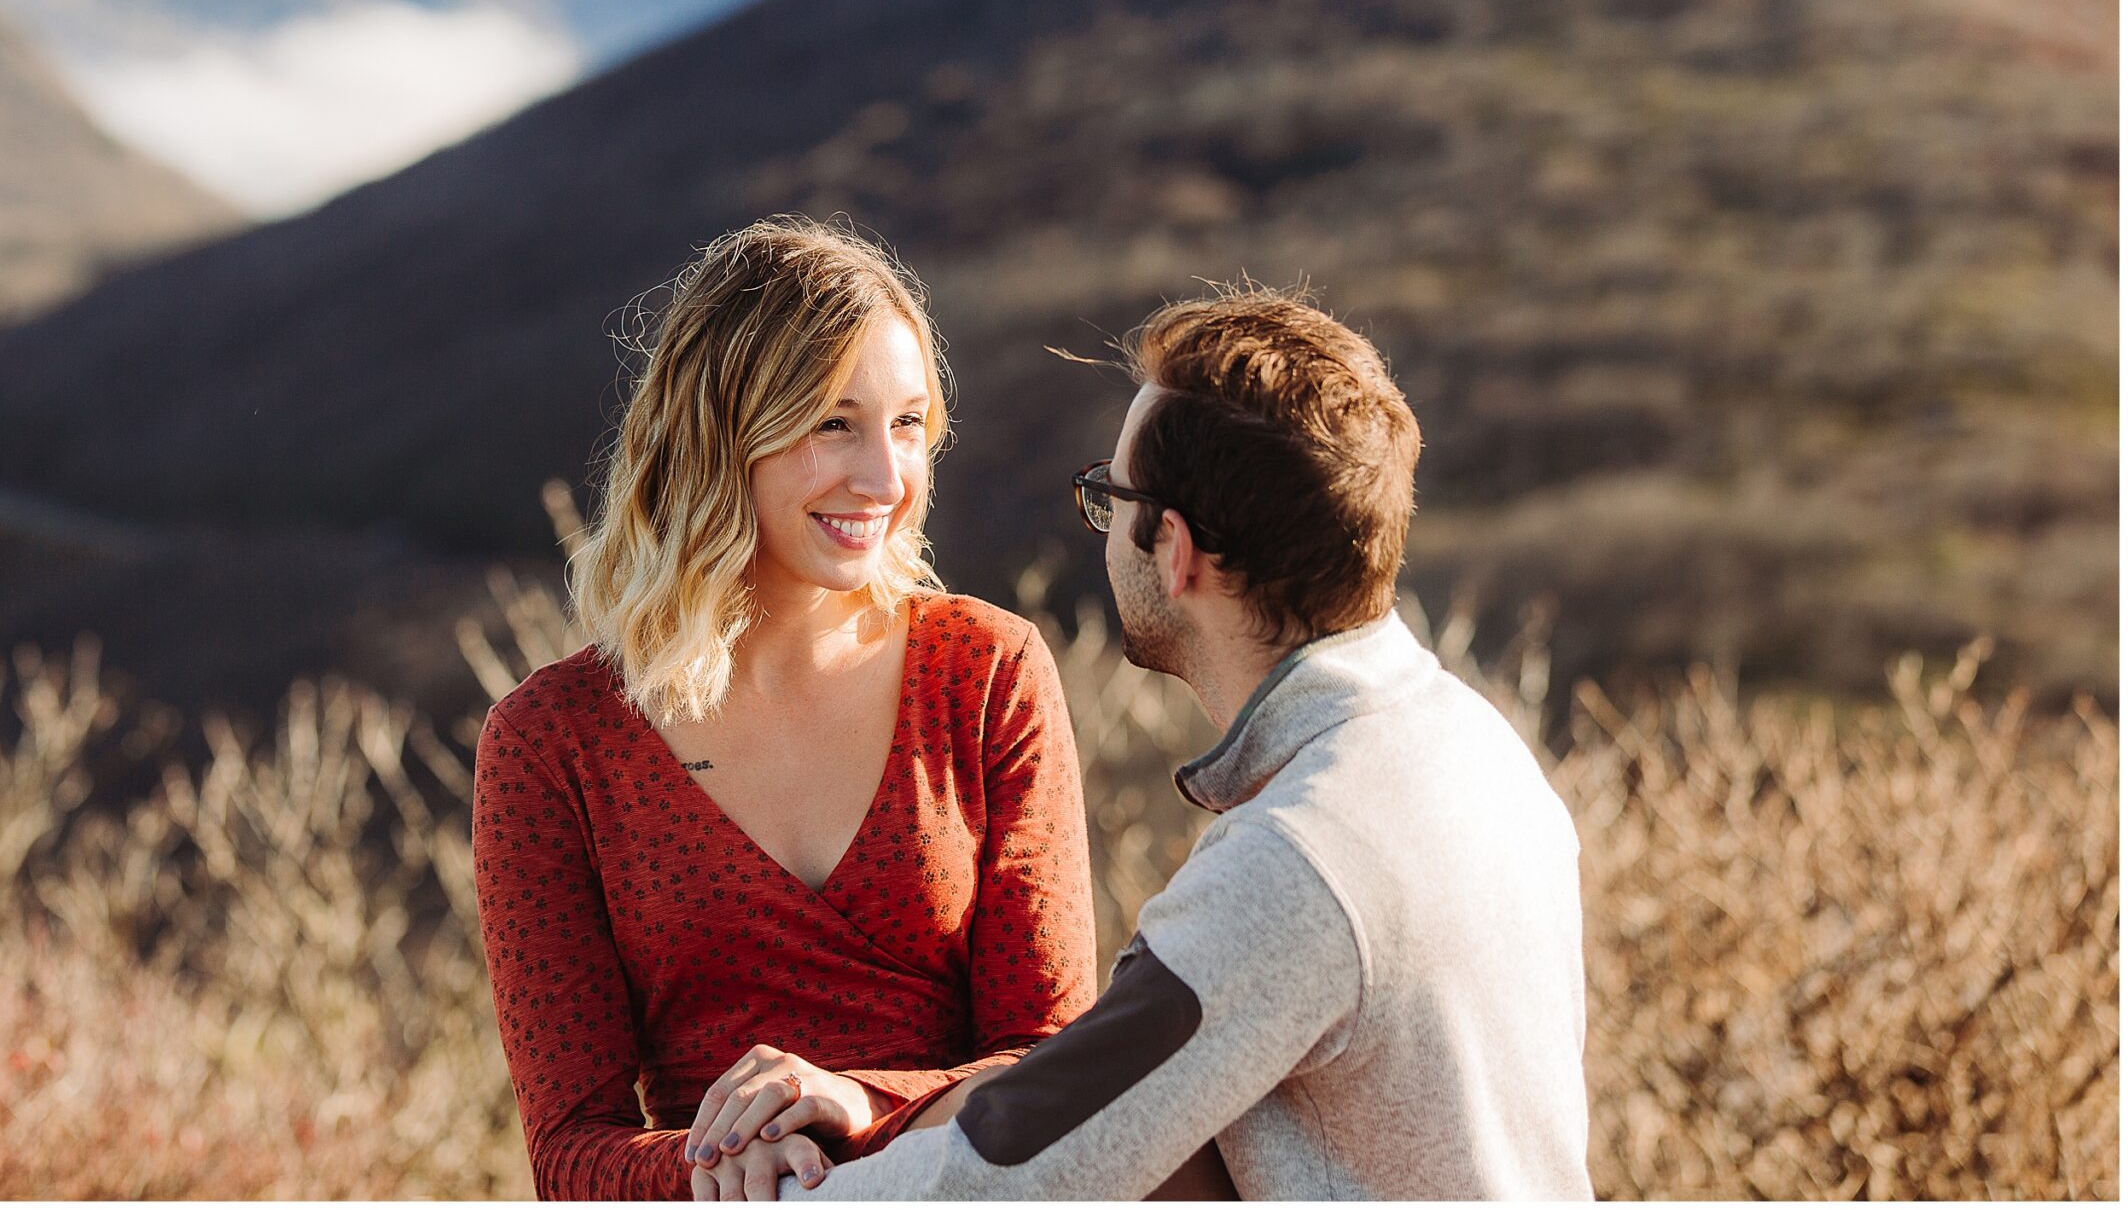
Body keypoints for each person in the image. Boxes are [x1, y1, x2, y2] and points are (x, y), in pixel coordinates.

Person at [795, 286, 1593, 1200]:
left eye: (1110, 494)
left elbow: (1011, 1172)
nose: (1101, 522)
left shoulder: (1297, 859)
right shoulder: (1476, 747)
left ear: (1173, 550)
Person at [471, 218, 1097, 1201]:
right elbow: (570, 1147)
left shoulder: (985, 673)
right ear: (721, 438)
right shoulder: (552, 743)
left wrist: (858, 1103)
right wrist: (724, 1163)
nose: (885, 480)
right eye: (831, 423)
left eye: (906, 424)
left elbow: (1055, 1067)